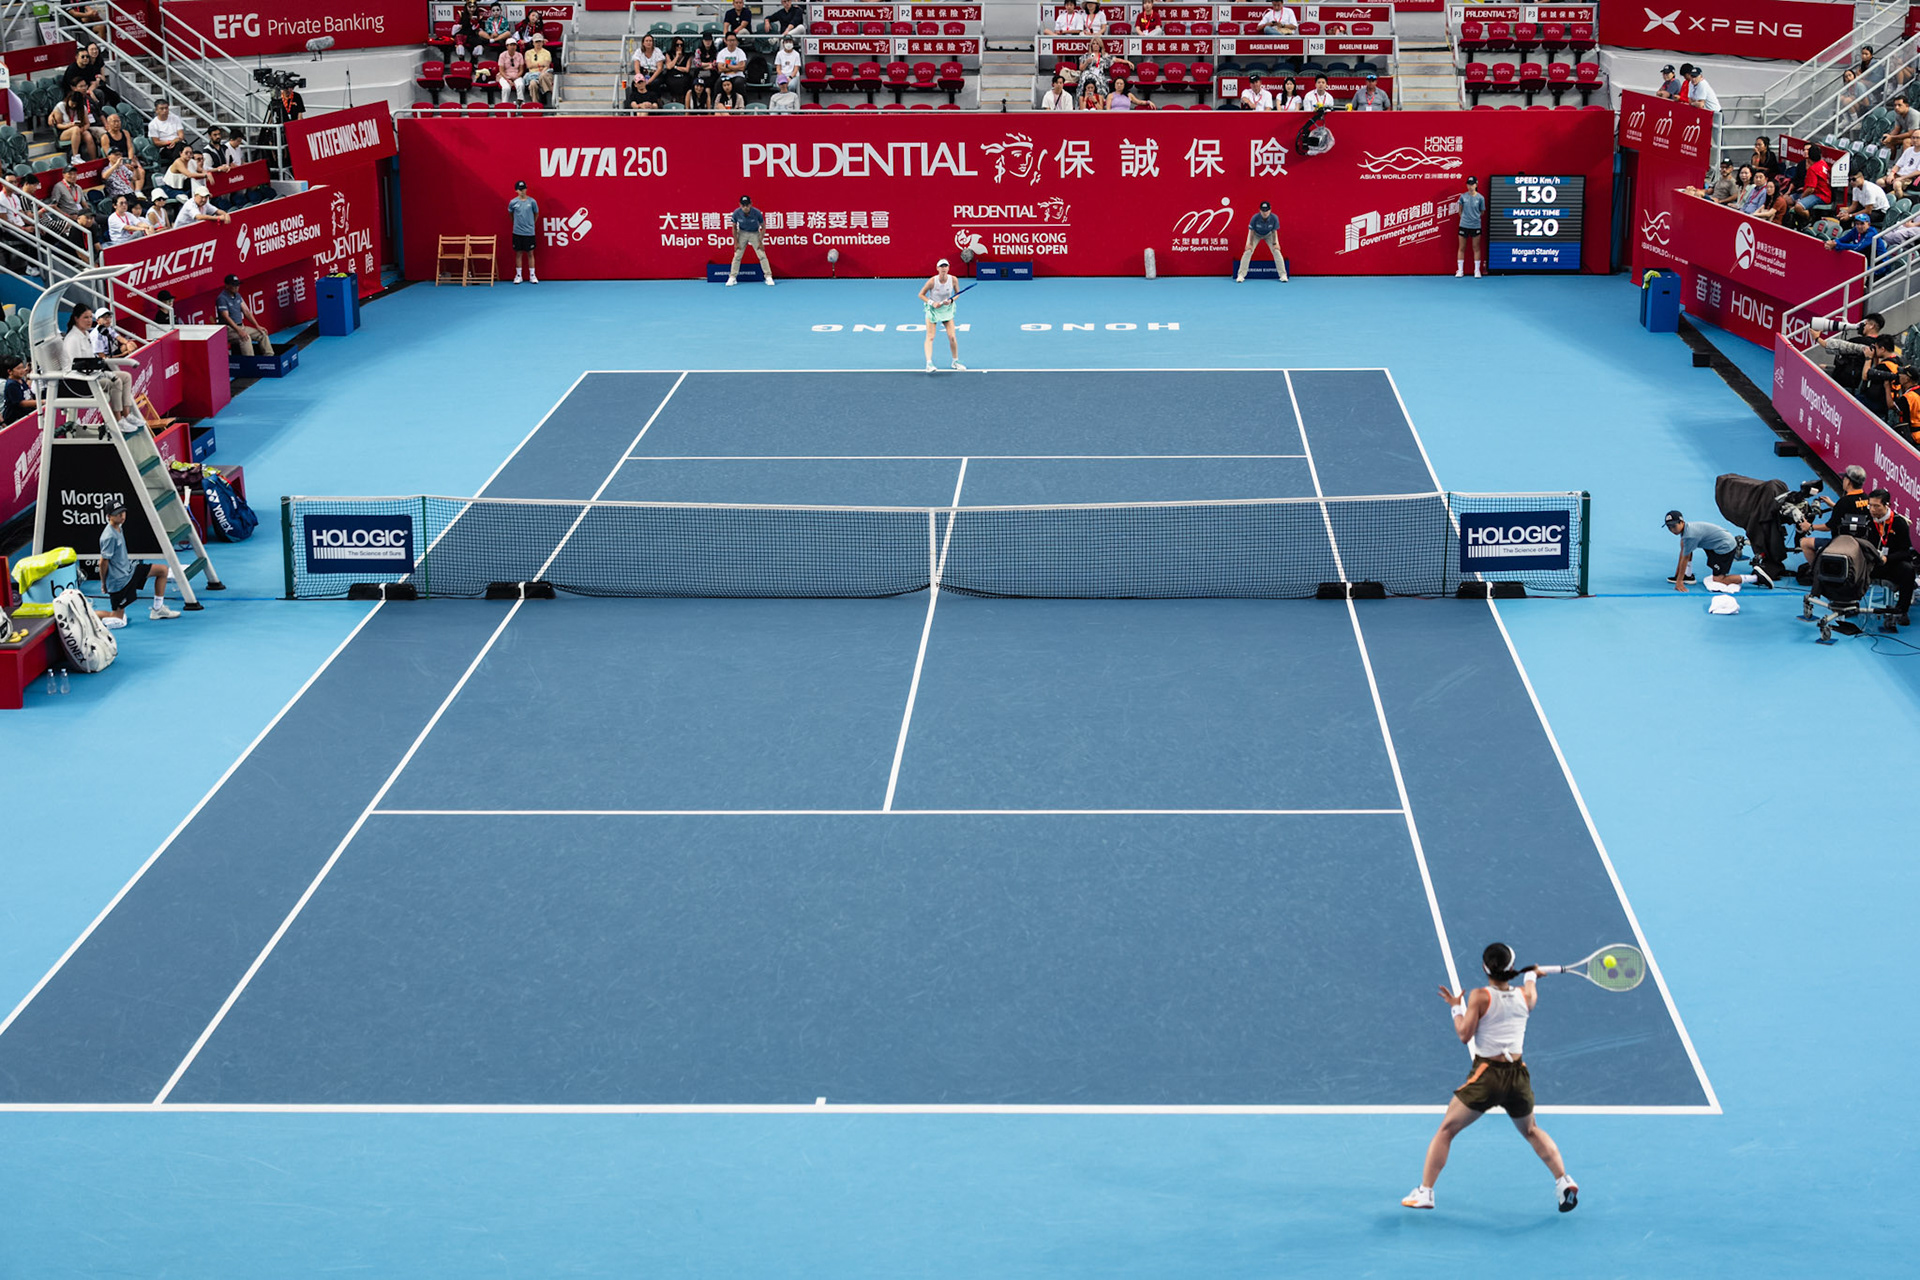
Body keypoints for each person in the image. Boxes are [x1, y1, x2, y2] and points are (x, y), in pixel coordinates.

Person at [1401, 943, 1578, 1214]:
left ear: (1486, 968)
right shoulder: (1525, 996)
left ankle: (1425, 1192)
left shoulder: (1480, 996)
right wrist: (1531, 976)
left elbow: (1464, 1035)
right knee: (1531, 1130)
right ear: (1511, 968)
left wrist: (1455, 1007)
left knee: (1446, 1130)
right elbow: (1529, 984)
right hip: (1518, 1077)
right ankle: (1563, 1181)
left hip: (1488, 1077)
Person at [95, 500, 177, 629]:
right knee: (118, 619)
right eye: (117, 514)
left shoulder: (118, 527)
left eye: (123, 512)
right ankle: (86, 615)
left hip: (129, 570)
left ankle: (158, 609)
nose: (122, 516)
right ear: (108, 516)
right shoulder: (109, 536)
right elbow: (102, 562)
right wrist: (104, 583)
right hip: (119, 582)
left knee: (162, 570)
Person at [60, 305, 141, 434]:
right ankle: (118, 421)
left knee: (126, 376)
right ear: (76, 318)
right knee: (116, 382)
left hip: (91, 374)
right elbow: (76, 366)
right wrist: (103, 374)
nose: (88, 320)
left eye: (89, 317)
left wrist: (103, 372)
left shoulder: (85, 333)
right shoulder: (72, 339)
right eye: (85, 317)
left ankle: (127, 415)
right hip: (78, 382)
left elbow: (91, 360)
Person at [1666, 509, 1771, 590]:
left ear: (1681, 522)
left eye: (1674, 526)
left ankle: (1757, 578)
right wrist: (1678, 575)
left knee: (1719, 579)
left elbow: (1685, 557)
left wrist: (1679, 581)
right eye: (1669, 527)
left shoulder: (1690, 536)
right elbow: (1684, 551)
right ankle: (1687, 576)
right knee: (1685, 546)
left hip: (1725, 548)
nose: (1672, 530)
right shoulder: (1686, 530)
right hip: (1716, 544)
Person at [1799, 464, 1870, 570]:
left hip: (1841, 544)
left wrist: (1810, 526)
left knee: (1804, 543)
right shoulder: (1867, 499)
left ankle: (1817, 572)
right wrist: (1834, 505)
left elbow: (1829, 526)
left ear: (1848, 481)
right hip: (1862, 544)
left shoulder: (1844, 502)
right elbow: (1853, 511)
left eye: (1844, 478)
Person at [1862, 489, 1916, 624]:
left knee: (1908, 570)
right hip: (1872, 564)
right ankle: (1847, 603)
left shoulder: (1899, 523)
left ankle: (1902, 611)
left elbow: (1906, 552)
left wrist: (1888, 558)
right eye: (1870, 505)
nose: (1872, 509)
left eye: (1876, 506)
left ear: (1887, 505)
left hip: (1891, 565)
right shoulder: (1867, 520)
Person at [919, 258, 963, 372]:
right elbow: (921, 295)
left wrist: (952, 300)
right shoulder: (932, 281)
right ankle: (929, 364)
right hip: (933, 310)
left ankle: (955, 362)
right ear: (937, 268)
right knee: (930, 336)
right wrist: (932, 303)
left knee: (952, 336)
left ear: (948, 268)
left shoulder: (953, 279)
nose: (944, 268)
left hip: (946, 309)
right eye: (941, 266)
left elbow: (957, 293)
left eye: (946, 266)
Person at [215, 273, 272, 357]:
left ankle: (270, 358)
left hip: (241, 327)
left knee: (262, 333)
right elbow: (226, 317)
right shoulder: (222, 298)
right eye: (234, 285)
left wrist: (257, 326)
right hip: (229, 330)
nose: (237, 287)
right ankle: (250, 364)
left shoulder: (238, 295)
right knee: (246, 338)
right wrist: (239, 330)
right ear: (226, 286)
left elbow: (246, 312)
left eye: (237, 285)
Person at [726, 193, 773, 286]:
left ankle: (768, 276)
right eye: (743, 205)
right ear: (740, 205)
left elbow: (763, 226)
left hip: (754, 233)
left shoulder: (757, 213)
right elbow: (734, 228)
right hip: (742, 233)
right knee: (737, 256)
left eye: (747, 205)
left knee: (762, 255)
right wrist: (736, 242)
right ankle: (732, 277)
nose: (745, 207)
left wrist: (760, 241)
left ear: (751, 204)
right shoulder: (736, 213)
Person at [1236, 199, 1287, 282]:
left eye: (1267, 211)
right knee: (1248, 251)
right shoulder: (1255, 218)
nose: (1265, 213)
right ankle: (1241, 275)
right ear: (1259, 210)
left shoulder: (1274, 218)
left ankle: (1283, 275)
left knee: (1276, 251)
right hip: (1255, 234)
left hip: (1269, 234)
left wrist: (1275, 243)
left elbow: (1274, 231)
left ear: (1270, 210)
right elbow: (1251, 231)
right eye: (1263, 211)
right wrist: (1250, 244)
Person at [1454, 175, 1486, 277]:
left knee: (1476, 247)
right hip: (1464, 225)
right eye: (1468, 184)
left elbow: (1482, 211)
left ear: (1476, 185)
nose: (1470, 186)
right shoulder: (1463, 197)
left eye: (1472, 184)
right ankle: (1460, 270)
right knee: (1461, 247)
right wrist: (1465, 219)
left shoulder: (1481, 198)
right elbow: (1459, 211)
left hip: (1476, 225)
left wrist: (1474, 218)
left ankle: (1477, 271)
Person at [508, 180, 538, 283]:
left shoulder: (532, 202)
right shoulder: (513, 202)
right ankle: (519, 275)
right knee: (519, 254)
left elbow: (536, 214)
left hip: (529, 232)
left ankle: (532, 275)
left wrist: (531, 224)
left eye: (524, 189)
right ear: (516, 190)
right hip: (517, 232)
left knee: (530, 253)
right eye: (520, 190)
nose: (522, 191)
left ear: (526, 189)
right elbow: (511, 215)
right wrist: (517, 224)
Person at [146, 99, 185, 165]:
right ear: (156, 110)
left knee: (183, 149)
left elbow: (181, 135)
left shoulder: (175, 118)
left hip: (179, 143)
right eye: (162, 109)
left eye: (166, 108)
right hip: (165, 147)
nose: (165, 110)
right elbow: (156, 142)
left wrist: (176, 140)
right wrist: (170, 142)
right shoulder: (153, 124)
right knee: (181, 153)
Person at [3, 355, 37, 424]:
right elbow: (21, 403)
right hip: (16, 419)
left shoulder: (21, 380)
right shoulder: (11, 385)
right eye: (18, 368)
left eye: (22, 367)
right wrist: (40, 402)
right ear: (10, 371)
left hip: (28, 413)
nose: (22, 370)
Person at [526, 33, 556, 104]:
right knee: (532, 83)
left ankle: (550, 97)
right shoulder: (528, 53)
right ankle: (535, 104)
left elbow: (547, 65)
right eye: (536, 41)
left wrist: (538, 68)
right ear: (533, 43)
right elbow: (529, 66)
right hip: (532, 75)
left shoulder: (547, 52)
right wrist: (541, 63)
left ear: (542, 42)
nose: (538, 43)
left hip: (545, 73)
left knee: (543, 76)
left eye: (540, 41)